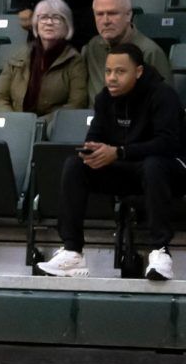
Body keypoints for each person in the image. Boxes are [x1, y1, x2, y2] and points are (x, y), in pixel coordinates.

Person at [37, 44, 186, 281]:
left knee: (153, 165)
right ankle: (73, 251)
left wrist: (119, 152)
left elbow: (167, 144)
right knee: (75, 166)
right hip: (128, 169)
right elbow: (94, 136)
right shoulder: (104, 98)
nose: (112, 78)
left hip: (170, 171)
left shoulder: (162, 95)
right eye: (108, 72)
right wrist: (92, 152)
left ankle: (160, 252)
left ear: (138, 72)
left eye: (120, 72)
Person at [0, 0, 88, 116]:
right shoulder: (18, 56)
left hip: (53, 128)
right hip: (16, 125)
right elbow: (0, 97)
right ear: (36, 24)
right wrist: (14, 121)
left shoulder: (74, 60)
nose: (49, 22)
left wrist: (38, 125)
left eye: (56, 18)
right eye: (43, 18)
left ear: (66, 25)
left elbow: (77, 104)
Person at [83, 0, 171, 101]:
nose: (105, 21)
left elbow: (166, 102)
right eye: (99, 14)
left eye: (112, 13)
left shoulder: (149, 52)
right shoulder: (92, 47)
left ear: (129, 15)